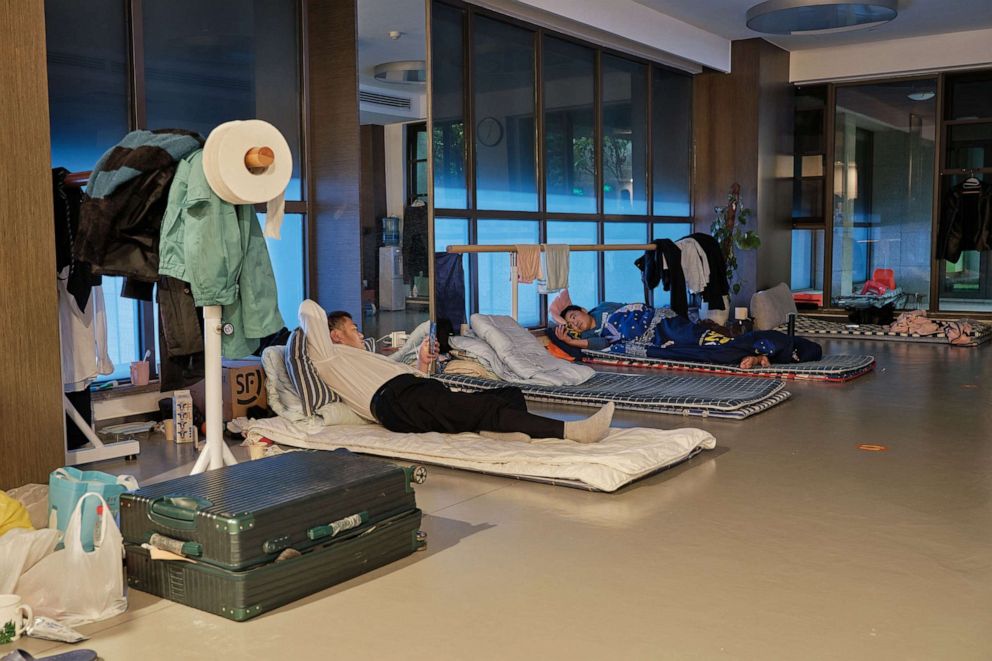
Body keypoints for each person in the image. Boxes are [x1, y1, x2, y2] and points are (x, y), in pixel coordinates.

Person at [298, 300, 614, 443]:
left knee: (509, 393)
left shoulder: (365, 359)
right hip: (395, 402)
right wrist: (325, 335)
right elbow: (309, 310)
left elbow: (410, 378)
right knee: (483, 407)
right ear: (335, 335)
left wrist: (422, 364)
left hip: (412, 391)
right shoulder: (330, 357)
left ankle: (496, 431)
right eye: (352, 329)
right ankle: (571, 432)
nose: (359, 334)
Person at [554, 303, 822, 369]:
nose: (573, 320)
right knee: (707, 354)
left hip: (664, 324)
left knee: (711, 340)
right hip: (657, 344)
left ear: (581, 309)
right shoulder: (599, 335)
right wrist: (571, 341)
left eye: (573, 315)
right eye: (570, 322)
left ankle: (777, 347)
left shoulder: (605, 309)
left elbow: (636, 308)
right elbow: (602, 345)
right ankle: (758, 353)